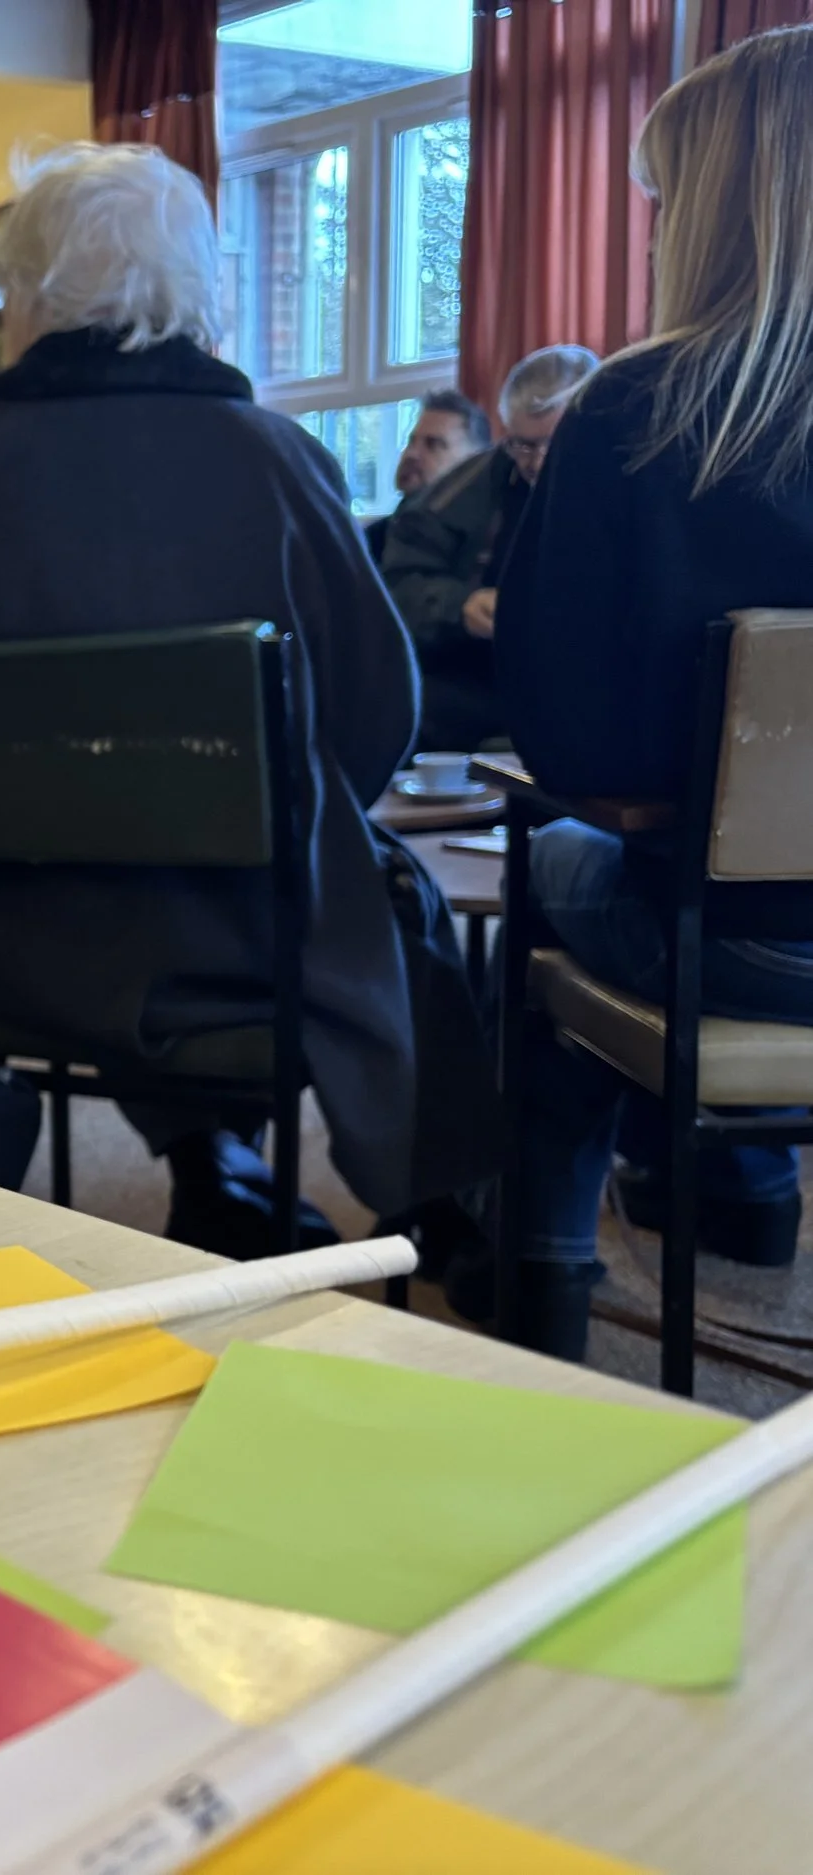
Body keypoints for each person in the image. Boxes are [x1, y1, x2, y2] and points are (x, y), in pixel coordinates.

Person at [0, 141, 497, 1256]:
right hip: (238, 941)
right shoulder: (277, 462)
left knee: (162, 885)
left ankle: (214, 1168)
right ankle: (449, 1216)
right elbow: (376, 720)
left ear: (27, 297)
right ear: (199, 290)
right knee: (388, 902)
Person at [494, 25, 813, 1355]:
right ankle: (752, 1194)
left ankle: (542, 1284)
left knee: (544, 881)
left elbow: (570, 740)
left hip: (740, 940)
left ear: (720, 209)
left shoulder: (637, 409)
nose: (650, 231)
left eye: (665, 198)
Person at [383, 346, 599, 750]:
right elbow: (395, 593)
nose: (535, 463)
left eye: (551, 444)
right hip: (484, 681)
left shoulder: (632, 486)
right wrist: (460, 606)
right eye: (522, 445)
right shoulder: (449, 500)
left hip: (590, 686)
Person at [364, 390, 490, 560]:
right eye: (411, 442)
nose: (412, 454)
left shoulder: (488, 547)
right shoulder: (370, 544)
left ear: (473, 462)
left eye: (433, 444)